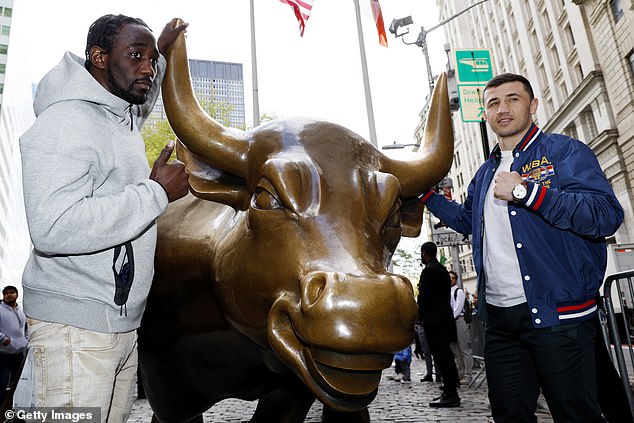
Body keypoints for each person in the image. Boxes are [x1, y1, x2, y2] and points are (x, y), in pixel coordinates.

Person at [420, 73, 624, 422]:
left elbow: (605, 215)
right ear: (485, 113)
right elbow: (467, 220)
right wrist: (425, 196)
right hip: (501, 321)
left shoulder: (563, 151)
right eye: (493, 102)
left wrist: (528, 193)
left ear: (532, 106)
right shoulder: (484, 173)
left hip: (560, 315)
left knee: (575, 414)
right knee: (509, 414)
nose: (503, 108)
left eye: (513, 99)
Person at [19, 14, 189, 421]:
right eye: (136, 56)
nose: (147, 68)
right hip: (74, 333)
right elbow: (52, 225)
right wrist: (156, 192)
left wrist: (161, 51)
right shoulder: (66, 123)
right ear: (98, 57)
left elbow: (142, 96)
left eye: (151, 59)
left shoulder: (117, 116)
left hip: (118, 329)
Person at [417, 242, 460, 408]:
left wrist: (420, 316)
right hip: (443, 317)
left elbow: (424, 297)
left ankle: (450, 393)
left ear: (424, 253)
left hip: (434, 320)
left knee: (442, 356)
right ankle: (449, 390)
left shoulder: (429, 270)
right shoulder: (441, 269)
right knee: (445, 355)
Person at [0, 286, 27, 406]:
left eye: (11, 292)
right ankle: (1, 408)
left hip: (19, 354)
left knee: (18, 383)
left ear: (17, 295)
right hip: (3, 355)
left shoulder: (22, 310)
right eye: (5, 293)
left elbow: (26, 328)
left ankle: (14, 407)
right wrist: (3, 338)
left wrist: (26, 340)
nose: (8, 295)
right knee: (2, 383)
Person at [448, 271, 474, 383]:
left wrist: (449, 318)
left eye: (452, 278)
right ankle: (460, 373)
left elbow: (457, 309)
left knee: (464, 349)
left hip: (458, 321)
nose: (450, 280)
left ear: (456, 279)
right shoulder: (447, 292)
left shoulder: (459, 292)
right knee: (456, 350)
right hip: (450, 323)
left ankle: (468, 374)